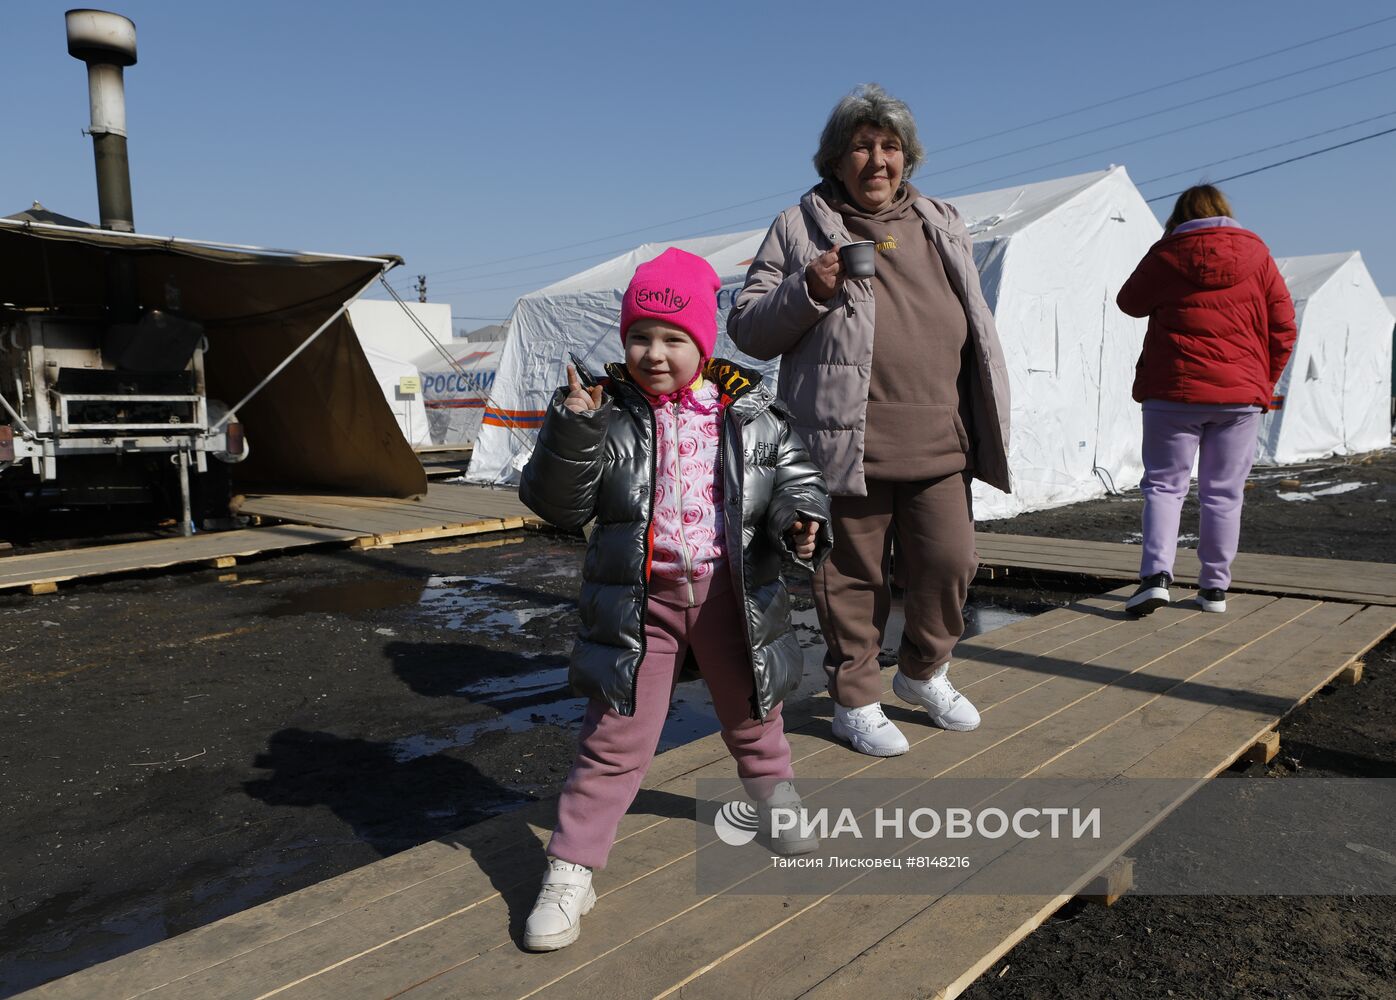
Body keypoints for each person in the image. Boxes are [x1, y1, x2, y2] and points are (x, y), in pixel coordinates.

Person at [518, 247, 833, 951]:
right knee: (614, 738)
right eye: (639, 337)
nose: (653, 353)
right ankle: (571, 871)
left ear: (702, 341)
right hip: (640, 603)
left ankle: (777, 805)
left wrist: (802, 522)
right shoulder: (603, 410)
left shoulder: (749, 412)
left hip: (732, 596)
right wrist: (575, 427)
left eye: (672, 338)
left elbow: (796, 480)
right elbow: (558, 507)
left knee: (756, 714)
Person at [728, 84, 1011, 758]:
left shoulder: (942, 220)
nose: (877, 159)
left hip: (940, 434)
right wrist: (810, 289)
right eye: (862, 145)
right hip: (841, 439)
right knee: (851, 578)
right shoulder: (799, 226)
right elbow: (748, 328)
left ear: (908, 158)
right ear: (836, 159)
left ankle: (921, 672)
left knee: (950, 563)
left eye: (889, 146)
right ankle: (855, 696)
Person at [1117, 184, 1296, 615]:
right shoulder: (1259, 256)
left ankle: (1155, 578)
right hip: (1239, 396)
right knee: (1224, 493)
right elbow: (1284, 327)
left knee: (1164, 485)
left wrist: (1163, 252)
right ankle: (1214, 588)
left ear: (1179, 216)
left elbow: (1129, 302)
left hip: (1173, 391)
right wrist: (1261, 384)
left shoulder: (1168, 254)